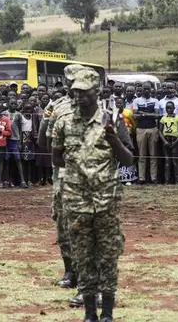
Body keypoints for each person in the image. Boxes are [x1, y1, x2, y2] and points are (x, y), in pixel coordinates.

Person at [52, 69, 133, 322]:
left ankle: (107, 312)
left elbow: (129, 159)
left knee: (108, 254)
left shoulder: (111, 120)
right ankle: (89, 313)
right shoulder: (64, 122)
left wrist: (113, 140)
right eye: (75, 92)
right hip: (76, 201)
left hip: (107, 200)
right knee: (83, 255)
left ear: (96, 92)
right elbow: (55, 158)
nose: (79, 97)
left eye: (84, 92)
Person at [38, 64, 85, 299]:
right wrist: (47, 116)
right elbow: (44, 143)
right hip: (61, 177)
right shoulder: (56, 107)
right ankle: (70, 271)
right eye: (69, 80)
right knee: (61, 223)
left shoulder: (93, 107)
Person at [133, 82, 160, 185]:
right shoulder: (136, 100)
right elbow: (135, 116)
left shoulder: (155, 101)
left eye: (148, 89)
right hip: (140, 129)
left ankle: (154, 178)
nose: (147, 91)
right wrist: (149, 114)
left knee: (153, 155)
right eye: (145, 89)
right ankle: (141, 178)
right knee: (141, 155)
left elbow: (157, 115)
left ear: (151, 89)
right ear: (142, 89)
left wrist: (142, 113)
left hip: (153, 129)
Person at [115, 97, 138, 186]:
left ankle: (129, 178)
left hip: (127, 137)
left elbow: (134, 124)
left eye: (121, 103)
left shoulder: (128, 113)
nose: (119, 105)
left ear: (124, 104)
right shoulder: (112, 113)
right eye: (117, 103)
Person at [4, 99, 27, 188]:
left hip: (15, 140)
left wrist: (20, 142)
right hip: (6, 140)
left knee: (17, 160)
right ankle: (7, 180)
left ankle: (22, 180)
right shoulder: (4, 113)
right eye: (11, 103)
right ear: (8, 104)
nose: (13, 105)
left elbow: (21, 129)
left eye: (15, 104)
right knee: (7, 160)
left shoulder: (18, 115)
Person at [159, 101, 178, 184]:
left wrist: (176, 142)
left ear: (174, 108)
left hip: (175, 139)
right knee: (167, 161)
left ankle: (177, 180)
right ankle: (167, 180)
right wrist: (164, 141)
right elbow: (160, 131)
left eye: (170, 108)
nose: (168, 109)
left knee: (175, 161)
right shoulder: (163, 118)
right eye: (167, 108)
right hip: (166, 140)